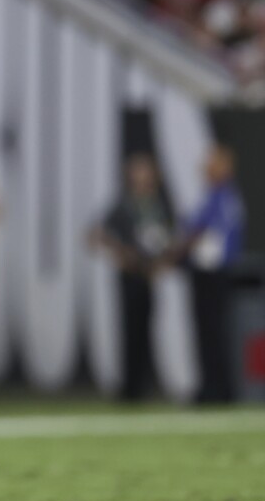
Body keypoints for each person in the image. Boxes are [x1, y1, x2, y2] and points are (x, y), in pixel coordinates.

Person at [91, 152, 173, 400]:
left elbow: (167, 237)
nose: (141, 175)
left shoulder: (157, 204)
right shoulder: (124, 204)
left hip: (148, 275)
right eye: (138, 170)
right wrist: (121, 253)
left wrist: (161, 262)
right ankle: (130, 386)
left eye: (145, 170)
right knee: (130, 329)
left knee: (148, 328)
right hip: (130, 275)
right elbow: (96, 234)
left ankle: (146, 383)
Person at [178, 143, 245, 404]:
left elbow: (196, 230)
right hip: (215, 272)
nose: (205, 169)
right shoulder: (224, 197)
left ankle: (214, 390)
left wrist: (175, 251)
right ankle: (217, 387)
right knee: (214, 331)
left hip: (211, 273)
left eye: (212, 165)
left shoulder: (220, 197)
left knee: (211, 332)